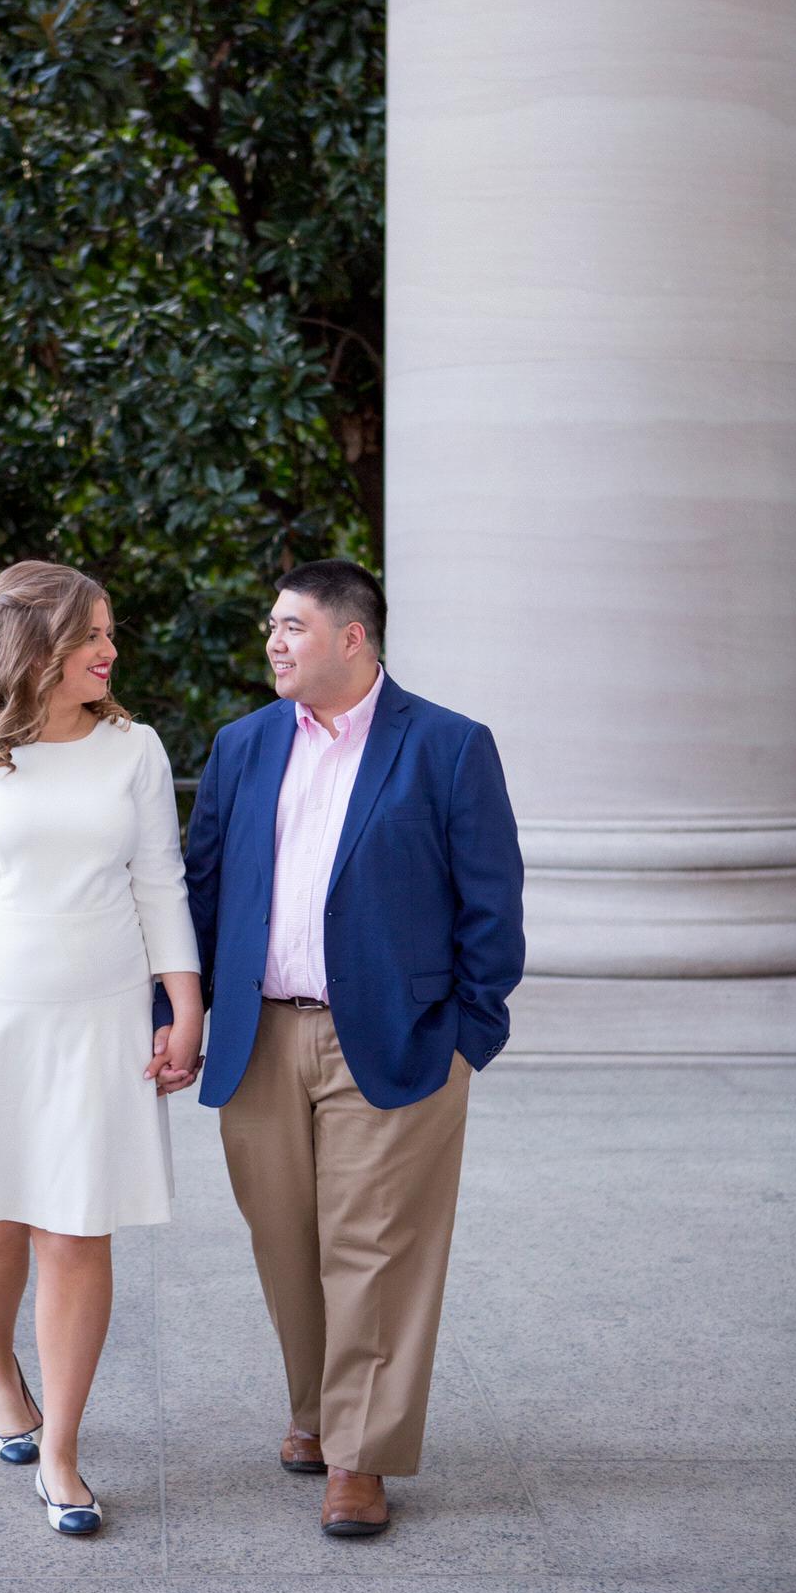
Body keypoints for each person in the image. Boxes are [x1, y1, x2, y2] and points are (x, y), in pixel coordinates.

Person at [183, 559, 524, 1539]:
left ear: (351, 636)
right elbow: (203, 891)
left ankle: (356, 1454)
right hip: (258, 1035)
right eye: (270, 625)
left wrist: (468, 1033)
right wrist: (186, 1012)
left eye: (291, 625)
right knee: (284, 1238)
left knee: (369, 1247)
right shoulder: (242, 746)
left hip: (395, 1035)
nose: (272, 642)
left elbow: (490, 908)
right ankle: (315, 1405)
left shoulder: (448, 747)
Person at [0, 560, 203, 1537]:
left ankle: (59, 1448)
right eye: (90, 634)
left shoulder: (132, 748)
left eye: (108, 631)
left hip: (97, 1019)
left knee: (75, 1226)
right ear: (38, 647)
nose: (109, 649)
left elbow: (160, 882)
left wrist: (183, 1004)